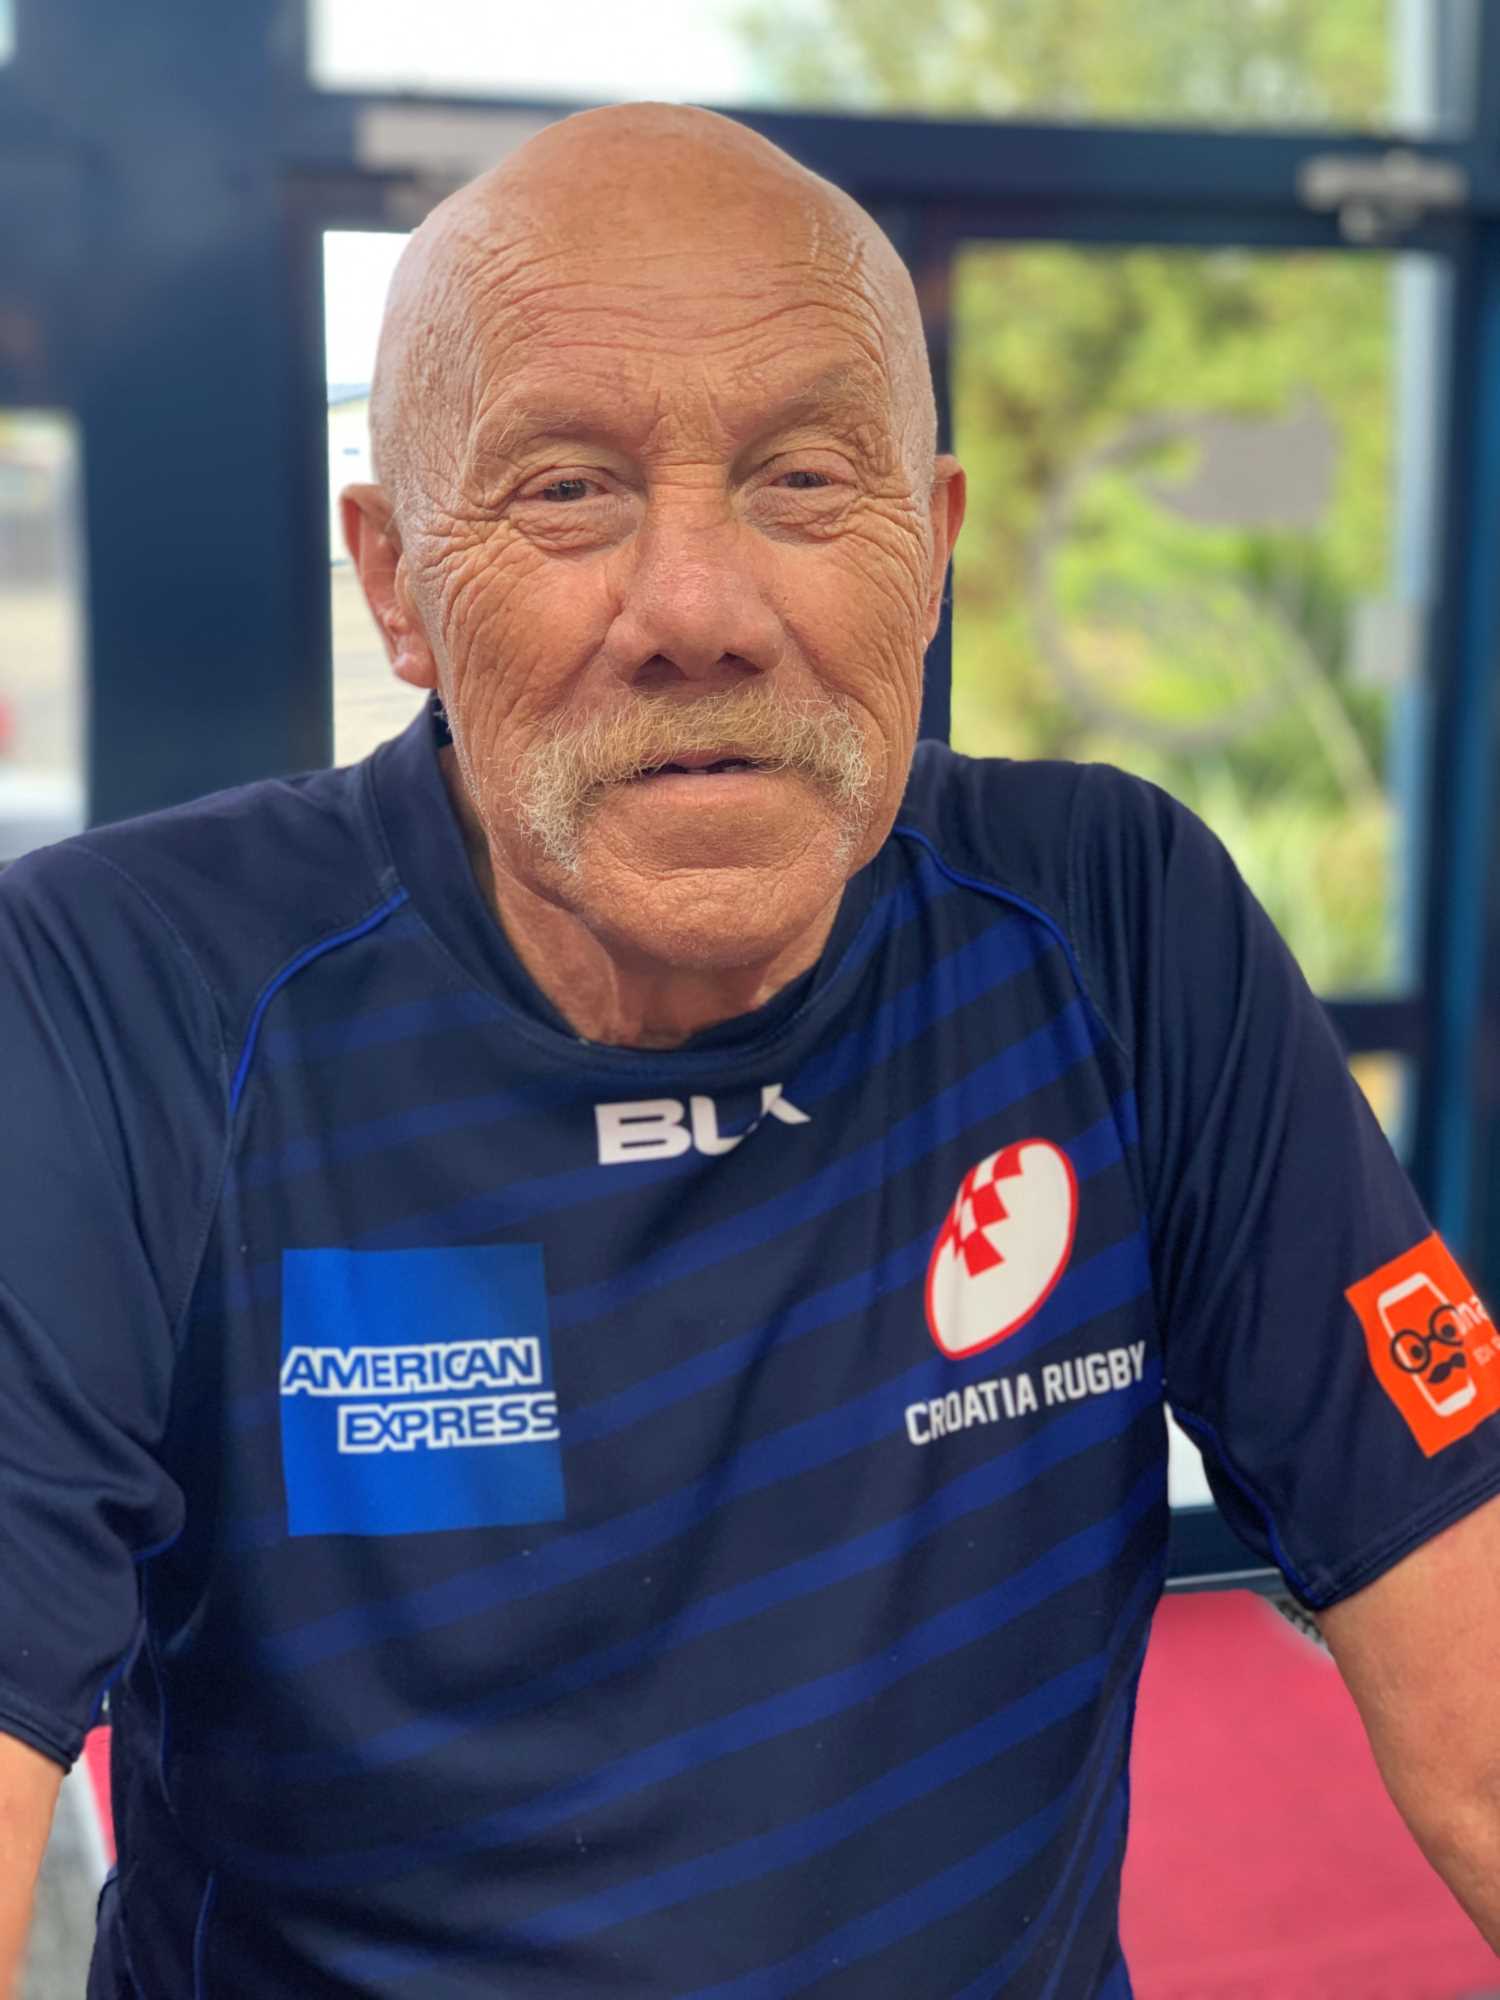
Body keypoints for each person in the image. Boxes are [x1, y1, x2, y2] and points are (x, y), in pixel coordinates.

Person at [2, 98, 1499, 2000]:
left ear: (931, 550)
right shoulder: (122, 995)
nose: (699, 612)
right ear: (396, 583)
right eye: (569, 489)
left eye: (802, 479)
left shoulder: (1119, 928)